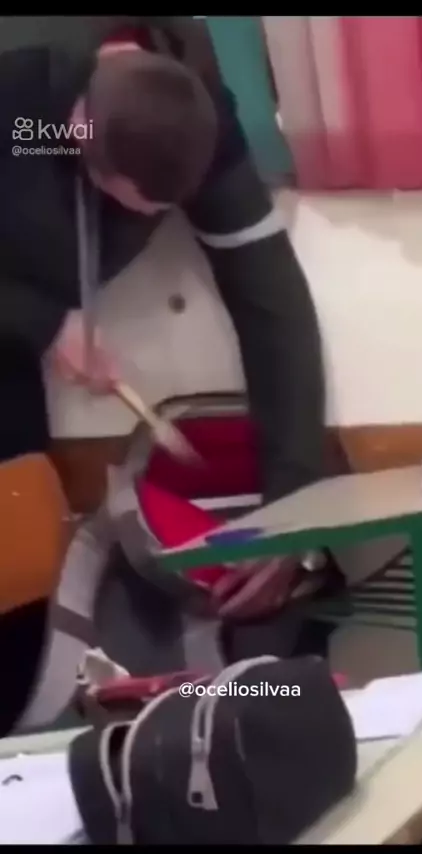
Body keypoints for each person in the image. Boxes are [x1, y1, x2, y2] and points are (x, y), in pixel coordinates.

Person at [0, 17, 331, 735]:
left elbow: (272, 304)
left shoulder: (200, 120)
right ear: (79, 133)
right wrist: (41, 320)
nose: (156, 222)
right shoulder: (32, 121)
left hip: (14, 376)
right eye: (135, 206)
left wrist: (294, 517)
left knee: (21, 608)